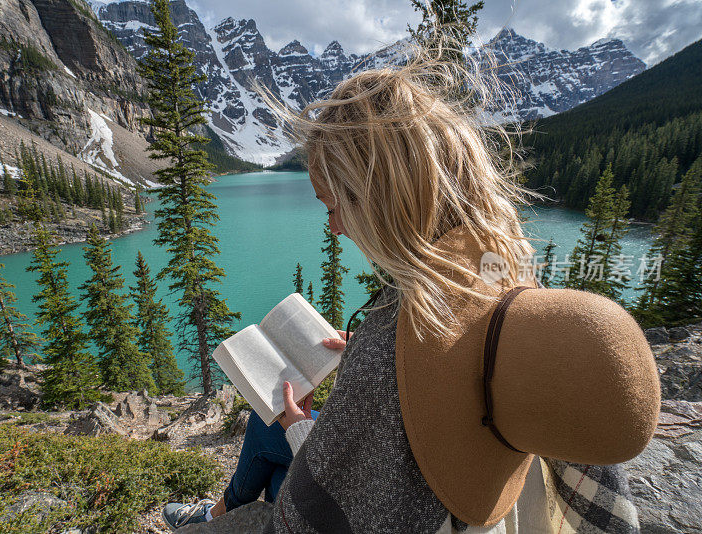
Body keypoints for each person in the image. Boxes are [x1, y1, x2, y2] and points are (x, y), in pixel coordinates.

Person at [163, 33, 654, 533]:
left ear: (377, 196)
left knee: (271, 436)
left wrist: (300, 425)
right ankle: (217, 511)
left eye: (334, 208)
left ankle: (213, 517)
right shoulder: (502, 265)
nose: (334, 228)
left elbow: (308, 517)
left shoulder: (393, 339)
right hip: (506, 501)